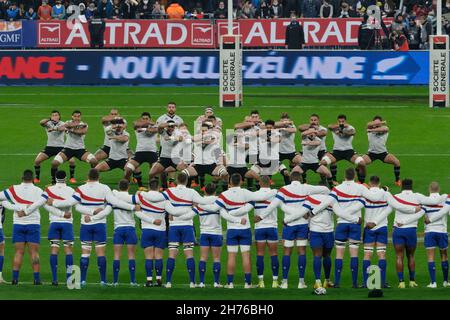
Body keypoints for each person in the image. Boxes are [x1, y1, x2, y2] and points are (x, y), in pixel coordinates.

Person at [46, 168, 141, 286]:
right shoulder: (105, 188)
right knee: (100, 252)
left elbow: (73, 205)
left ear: (88, 176)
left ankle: (82, 280)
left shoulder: (81, 189)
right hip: (100, 224)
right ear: (98, 177)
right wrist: (132, 207)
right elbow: (115, 202)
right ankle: (103, 281)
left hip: (86, 225)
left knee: (85, 253)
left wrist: (54, 203)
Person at [256, 171, 329, 289]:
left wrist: (261, 216)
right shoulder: (306, 188)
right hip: (302, 224)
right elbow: (325, 189)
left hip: (289, 224)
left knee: (286, 252)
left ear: (290, 179)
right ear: (300, 179)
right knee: (302, 252)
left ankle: (284, 282)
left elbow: (273, 205)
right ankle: (301, 282)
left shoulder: (284, 189)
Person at [214, 173, 276, 289]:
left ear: (230, 182)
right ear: (241, 181)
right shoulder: (246, 192)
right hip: (245, 229)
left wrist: (233, 217)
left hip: (232, 229)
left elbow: (218, 210)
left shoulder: (224, 194)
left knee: (231, 256)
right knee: (246, 256)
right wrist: (275, 191)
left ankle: (230, 283)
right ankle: (248, 284)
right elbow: (262, 198)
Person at [162, 173, 215, 288]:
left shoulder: (169, 191)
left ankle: (169, 282)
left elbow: (162, 203)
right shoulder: (192, 192)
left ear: (176, 180)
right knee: (189, 254)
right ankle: (192, 282)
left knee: (172, 254)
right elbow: (202, 203)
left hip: (174, 226)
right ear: (187, 181)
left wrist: (170, 213)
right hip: (187, 226)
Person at [391, 179, 446, 288]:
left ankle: (401, 282)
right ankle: (412, 281)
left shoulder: (395, 197)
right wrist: (445, 196)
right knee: (411, 255)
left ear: (401, 185)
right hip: (411, 230)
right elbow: (433, 202)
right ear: (412, 186)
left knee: (399, 256)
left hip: (398, 229)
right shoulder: (417, 196)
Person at [0, 170, 43, 285]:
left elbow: (1, 198)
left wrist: (16, 207)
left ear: (21, 178)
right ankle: (37, 279)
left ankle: (15, 279)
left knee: (18, 252)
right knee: (34, 252)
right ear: (33, 178)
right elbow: (43, 203)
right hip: (33, 223)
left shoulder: (14, 189)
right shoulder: (38, 190)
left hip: (18, 224)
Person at [51, 110, 97, 184]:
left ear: (80, 117)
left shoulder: (85, 124)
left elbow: (82, 132)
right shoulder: (68, 122)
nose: (76, 118)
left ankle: (93, 180)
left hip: (80, 149)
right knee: (54, 163)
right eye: (75, 116)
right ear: (72, 116)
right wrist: (73, 126)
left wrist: (70, 129)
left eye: (78, 116)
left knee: (94, 161)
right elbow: (62, 127)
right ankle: (54, 182)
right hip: (68, 149)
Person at [320, 114, 366, 185]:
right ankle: (329, 181)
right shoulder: (335, 127)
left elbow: (352, 132)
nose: (341, 123)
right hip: (337, 152)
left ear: (345, 121)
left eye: (343, 121)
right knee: (322, 163)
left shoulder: (350, 127)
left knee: (362, 163)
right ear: (337, 122)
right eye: (339, 121)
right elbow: (329, 126)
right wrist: (340, 126)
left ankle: (361, 183)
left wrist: (343, 131)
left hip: (349, 151)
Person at [250, 176, 279, 289]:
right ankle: (275, 282)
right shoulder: (275, 194)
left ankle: (261, 282)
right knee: (274, 254)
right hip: (272, 227)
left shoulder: (255, 195)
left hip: (259, 228)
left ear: (259, 183)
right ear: (270, 182)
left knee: (260, 254)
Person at [34, 111, 77, 184]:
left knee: (72, 161)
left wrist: (54, 128)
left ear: (59, 116)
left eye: (56, 115)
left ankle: (72, 177)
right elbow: (41, 122)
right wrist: (49, 119)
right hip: (49, 147)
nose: (54, 116)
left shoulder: (63, 123)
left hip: (61, 147)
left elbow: (61, 129)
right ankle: (37, 178)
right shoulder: (48, 123)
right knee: (37, 161)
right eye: (53, 115)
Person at [362, 116, 401, 186]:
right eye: (375, 122)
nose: (377, 124)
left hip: (383, 153)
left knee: (397, 162)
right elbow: (368, 124)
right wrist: (373, 127)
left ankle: (397, 180)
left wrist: (372, 130)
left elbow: (385, 128)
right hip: (371, 153)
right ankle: (361, 182)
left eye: (379, 122)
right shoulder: (369, 128)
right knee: (360, 163)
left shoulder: (384, 128)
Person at [424, 187, 450, 288]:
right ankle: (445, 281)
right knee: (444, 255)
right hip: (442, 231)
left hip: (430, 231)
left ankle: (433, 283)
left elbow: (421, 215)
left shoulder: (425, 201)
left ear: (429, 189)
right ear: (439, 189)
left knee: (431, 257)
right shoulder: (445, 201)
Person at [124, 112, 158, 189]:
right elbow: (135, 124)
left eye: (147, 119)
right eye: (143, 119)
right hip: (140, 153)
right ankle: (125, 186)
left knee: (154, 172)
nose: (145, 120)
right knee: (128, 169)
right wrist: (146, 125)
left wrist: (144, 128)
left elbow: (154, 130)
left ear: (150, 119)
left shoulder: (155, 126)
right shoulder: (137, 125)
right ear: (140, 119)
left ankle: (151, 188)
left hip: (152, 152)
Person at [298, 114, 328, 183]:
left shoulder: (322, 128)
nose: (313, 121)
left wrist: (311, 131)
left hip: (320, 151)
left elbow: (322, 133)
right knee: (300, 163)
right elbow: (300, 128)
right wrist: (310, 128)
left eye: (315, 120)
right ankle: (304, 181)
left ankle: (323, 181)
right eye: (311, 120)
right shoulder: (308, 128)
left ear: (318, 121)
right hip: (308, 150)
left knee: (323, 164)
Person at [276, 113, 301, 185]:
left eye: (286, 121)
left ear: (289, 121)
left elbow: (294, 130)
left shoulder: (291, 126)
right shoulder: (277, 127)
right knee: (272, 164)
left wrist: (283, 128)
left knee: (302, 162)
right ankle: (270, 180)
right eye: (283, 121)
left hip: (291, 152)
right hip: (279, 152)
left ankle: (301, 181)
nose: (284, 123)